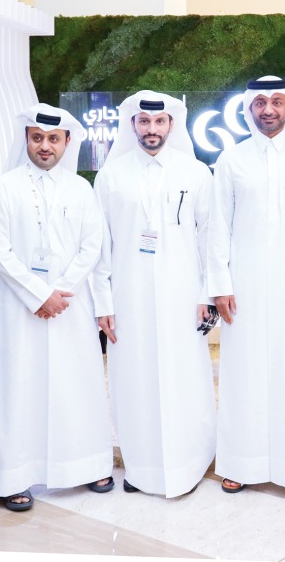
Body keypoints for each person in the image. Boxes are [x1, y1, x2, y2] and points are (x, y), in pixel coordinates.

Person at [0, 103, 114, 511]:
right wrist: (38, 294)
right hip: (21, 306)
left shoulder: (81, 189)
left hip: (70, 305)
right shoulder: (5, 186)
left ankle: (86, 465)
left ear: (67, 142)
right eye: (37, 137)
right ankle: (14, 477)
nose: (44, 146)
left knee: (78, 383)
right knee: (19, 385)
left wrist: (59, 291)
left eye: (53, 139)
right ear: (26, 139)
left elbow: (93, 246)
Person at [207, 75, 285, 495]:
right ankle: (241, 463)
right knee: (244, 373)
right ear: (249, 109)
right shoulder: (232, 160)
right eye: (260, 102)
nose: (268, 110)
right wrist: (220, 284)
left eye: (277, 102)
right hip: (244, 287)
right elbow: (217, 227)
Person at [91, 91, 216, 498]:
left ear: (171, 125)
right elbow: (100, 246)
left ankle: (189, 465)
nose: (151, 130)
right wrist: (103, 303)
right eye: (144, 123)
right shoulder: (111, 176)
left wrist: (208, 294)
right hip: (129, 296)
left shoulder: (195, 173)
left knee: (184, 378)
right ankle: (142, 469)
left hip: (183, 296)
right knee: (134, 379)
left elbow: (209, 238)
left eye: (159, 122)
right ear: (132, 126)